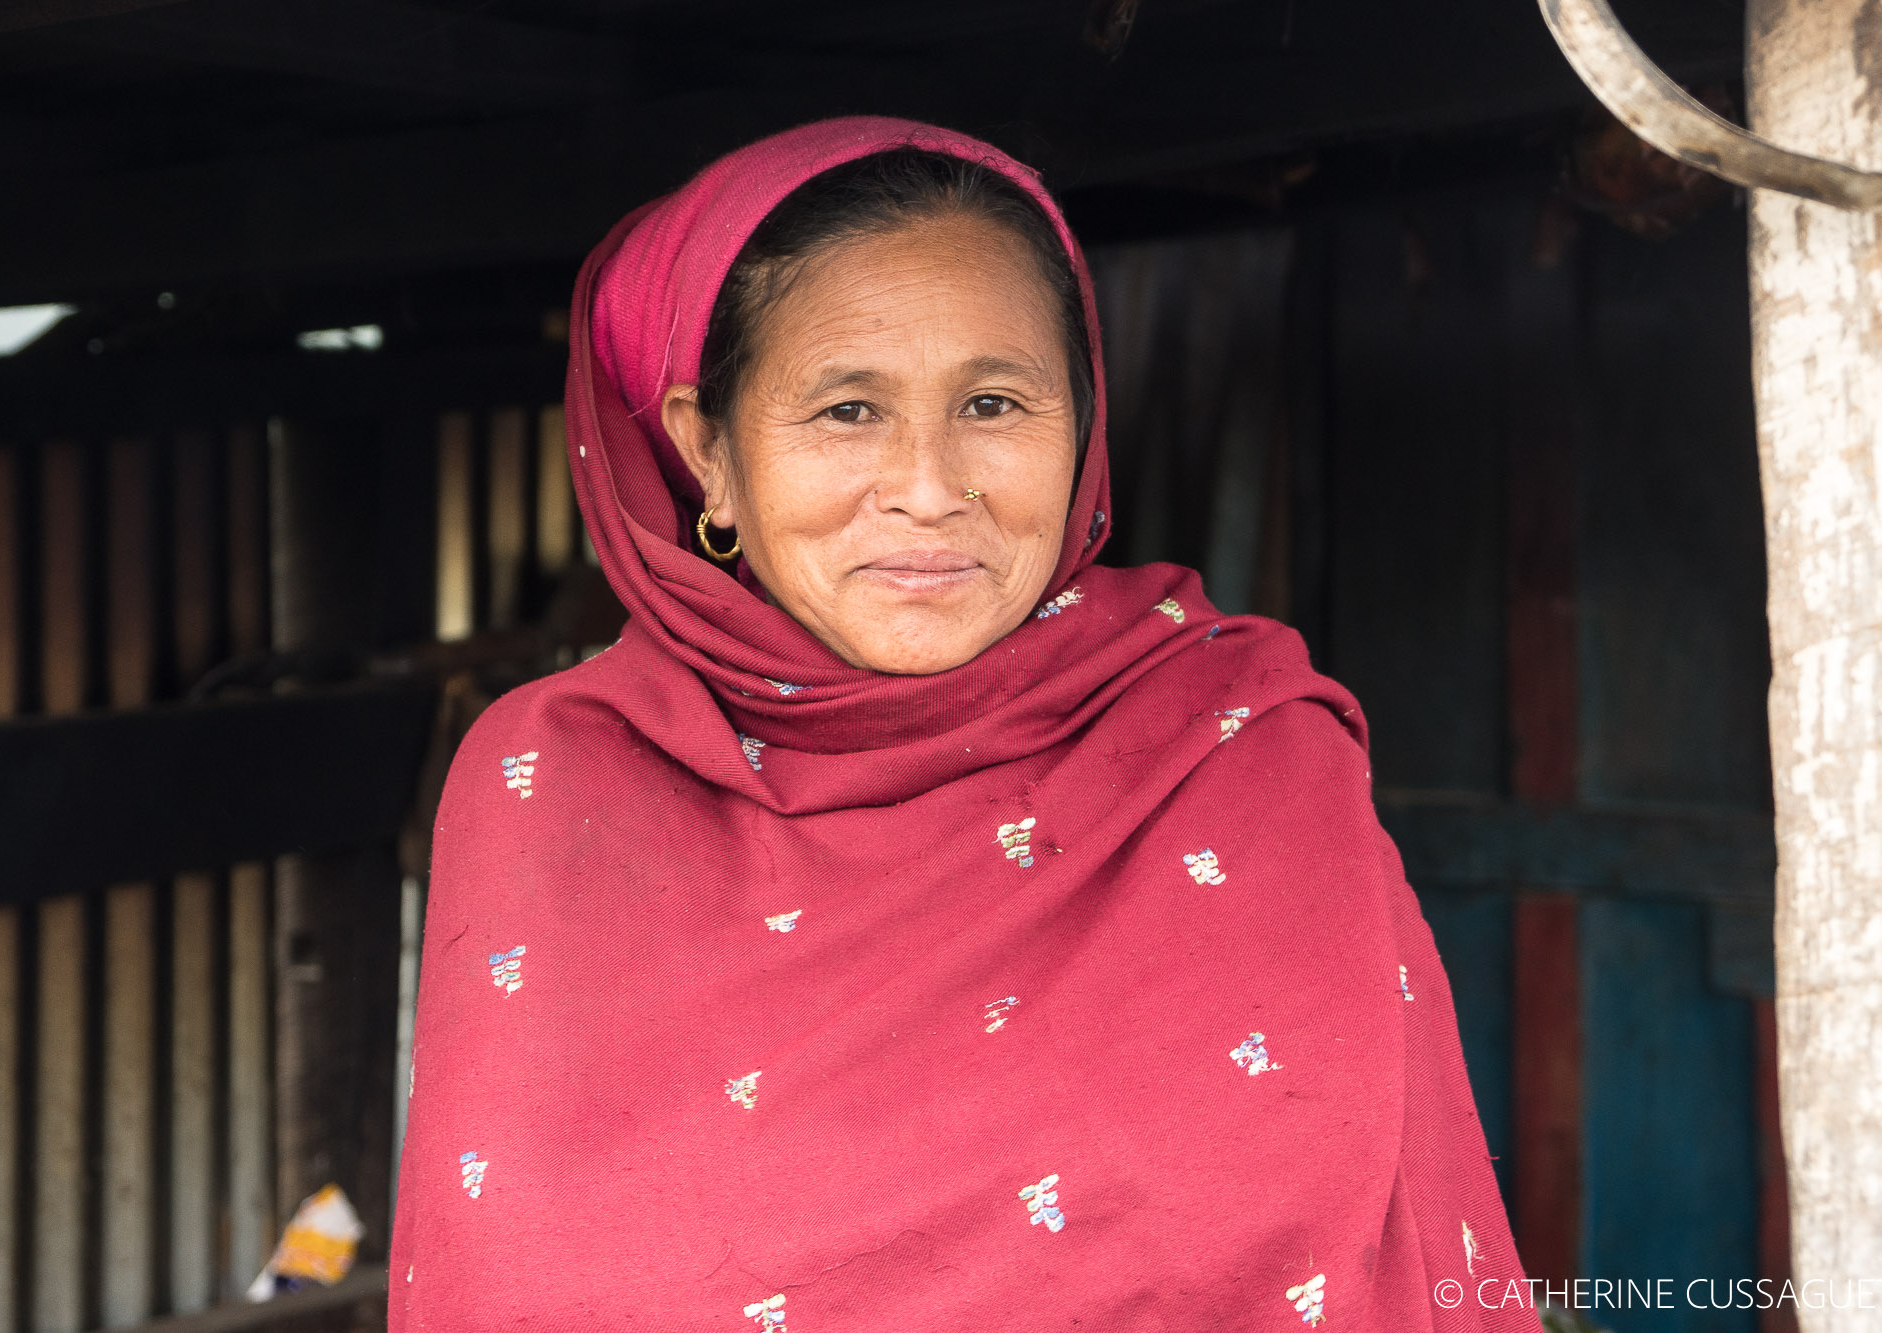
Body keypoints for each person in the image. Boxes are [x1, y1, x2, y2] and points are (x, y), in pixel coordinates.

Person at [391, 116, 1526, 1329]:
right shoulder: (556, 783)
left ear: (1081, 423)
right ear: (706, 450)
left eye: (992, 403)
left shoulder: (1240, 753)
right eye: (846, 411)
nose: (929, 489)